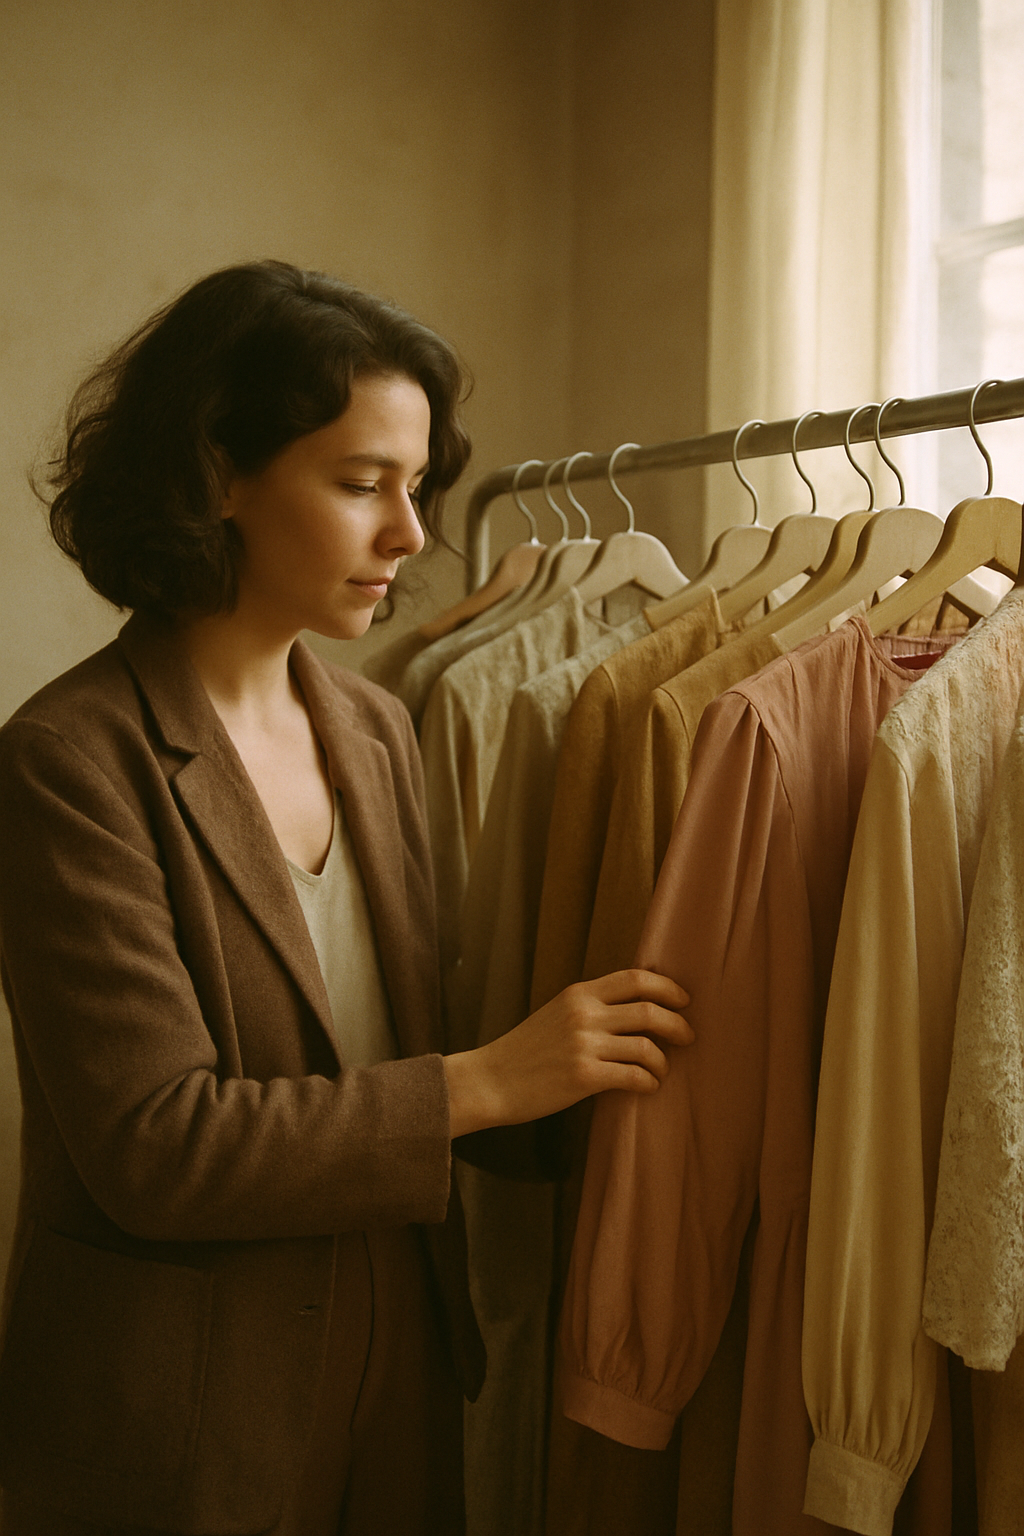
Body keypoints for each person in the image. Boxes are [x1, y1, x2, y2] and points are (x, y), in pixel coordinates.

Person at [0, 260, 691, 1536]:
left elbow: (392, 1044)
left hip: (403, 1386)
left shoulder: (373, 727)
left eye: (416, 487)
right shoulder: (69, 759)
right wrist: (491, 1080)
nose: (411, 536)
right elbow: (161, 1151)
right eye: (362, 483)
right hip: (177, 1424)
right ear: (219, 472)